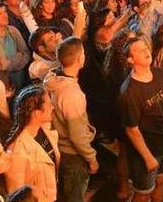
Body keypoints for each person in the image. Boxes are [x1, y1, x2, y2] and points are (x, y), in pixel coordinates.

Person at [118, 37, 163, 202]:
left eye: (146, 47)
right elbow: (132, 130)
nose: (146, 51)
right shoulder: (129, 92)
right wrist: (147, 157)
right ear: (130, 59)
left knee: (161, 179)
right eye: (139, 50)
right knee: (143, 192)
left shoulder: (159, 73)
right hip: (147, 150)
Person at [44, 38, 99, 202]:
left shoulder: (52, 80)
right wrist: (92, 158)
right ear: (79, 58)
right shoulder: (72, 94)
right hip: (72, 155)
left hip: (59, 149)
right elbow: (77, 135)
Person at [5, 86, 59, 202]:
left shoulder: (44, 130)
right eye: (49, 105)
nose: (52, 107)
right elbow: (16, 194)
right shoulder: (17, 151)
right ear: (37, 114)